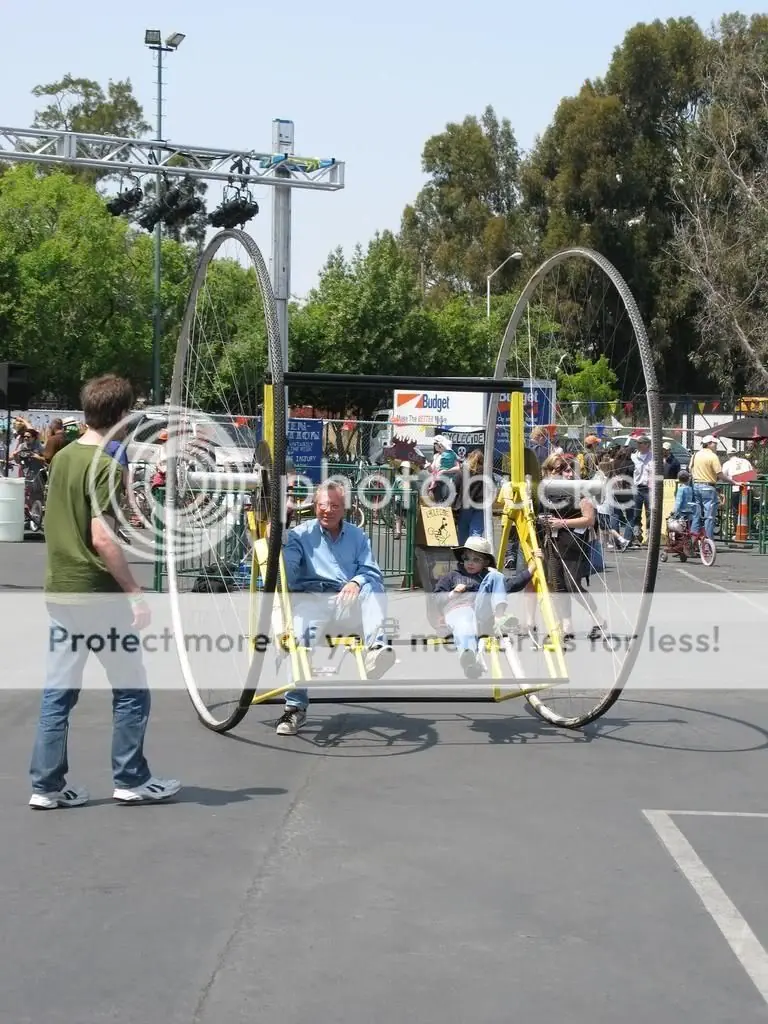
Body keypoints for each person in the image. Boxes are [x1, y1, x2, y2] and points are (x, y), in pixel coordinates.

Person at [28, 374, 180, 809]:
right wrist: (133, 591)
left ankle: (46, 785)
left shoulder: (63, 457)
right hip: (97, 592)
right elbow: (102, 537)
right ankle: (131, 778)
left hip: (61, 588)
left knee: (58, 692)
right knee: (131, 688)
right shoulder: (106, 466)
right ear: (121, 416)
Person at [276, 480, 395, 736]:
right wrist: (279, 537)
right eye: (322, 505)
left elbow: (371, 570)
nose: (327, 510)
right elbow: (288, 574)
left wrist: (356, 582)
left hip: (347, 603)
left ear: (345, 508)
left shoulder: (357, 536)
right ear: (314, 506)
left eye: (334, 506)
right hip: (314, 600)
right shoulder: (300, 535)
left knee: (371, 586)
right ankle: (295, 707)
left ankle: (377, 649)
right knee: (299, 637)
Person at [432, 536, 537, 678]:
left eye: (476, 560)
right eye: (467, 558)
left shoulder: (487, 577)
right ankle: (469, 662)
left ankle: (499, 617)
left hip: (480, 612)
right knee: (465, 622)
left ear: (485, 562)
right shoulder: (452, 576)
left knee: (496, 576)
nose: (470, 563)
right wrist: (452, 593)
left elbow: (512, 584)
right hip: (458, 610)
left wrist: (532, 568)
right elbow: (436, 599)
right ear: (462, 558)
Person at [690, 435, 725, 540]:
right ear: (709, 444)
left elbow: (690, 469)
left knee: (696, 515)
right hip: (708, 487)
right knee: (709, 516)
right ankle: (708, 542)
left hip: (696, 486)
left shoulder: (695, 455)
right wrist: (733, 481)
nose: (716, 445)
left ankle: (693, 541)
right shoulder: (713, 456)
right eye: (715, 443)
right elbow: (719, 474)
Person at [623, 435, 653, 546]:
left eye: (640, 443)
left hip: (649, 489)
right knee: (636, 513)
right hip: (637, 488)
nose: (638, 445)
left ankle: (650, 536)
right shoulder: (634, 457)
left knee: (650, 513)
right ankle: (637, 536)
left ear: (647, 444)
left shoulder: (653, 457)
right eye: (637, 443)